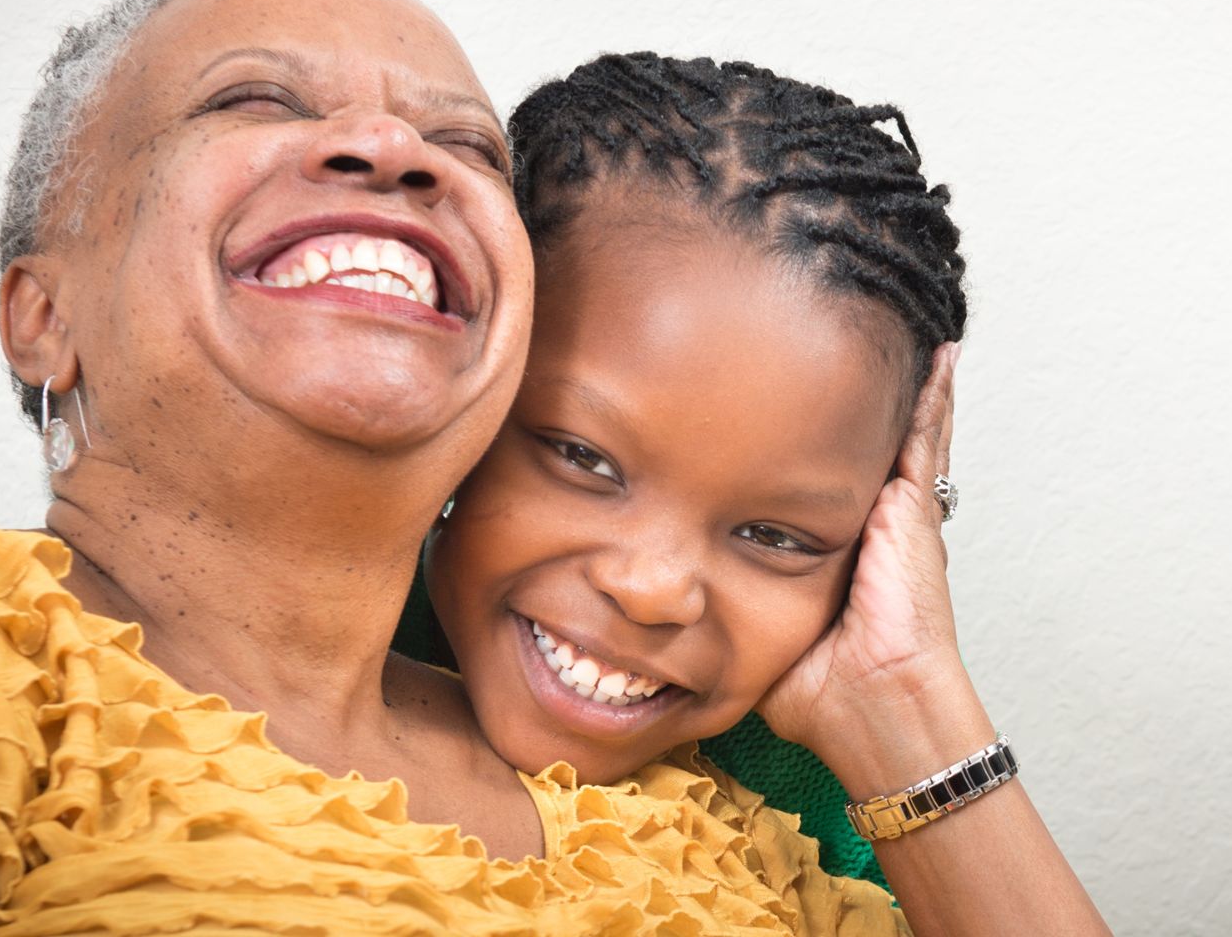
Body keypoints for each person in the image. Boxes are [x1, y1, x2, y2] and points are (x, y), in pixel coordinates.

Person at [0, 0, 923, 935]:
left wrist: (909, 698)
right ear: (42, 314)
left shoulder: (703, 830)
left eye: (465, 145)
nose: (388, 147)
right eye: (254, 99)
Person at [412, 53, 1109, 937]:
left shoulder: (815, 808)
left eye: (775, 535)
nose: (653, 588)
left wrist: (904, 703)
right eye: (582, 458)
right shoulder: (273, 627)